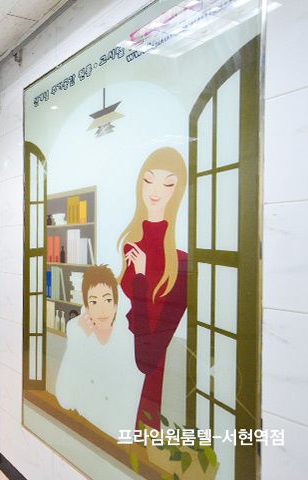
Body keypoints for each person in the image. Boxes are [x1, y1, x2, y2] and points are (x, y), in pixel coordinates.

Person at [118, 147, 188, 431]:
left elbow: (147, 357)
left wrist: (142, 277)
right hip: (125, 361)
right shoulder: (130, 245)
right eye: (148, 180)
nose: (155, 191)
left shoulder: (181, 262)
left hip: (151, 364)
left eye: (168, 184)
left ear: (177, 192)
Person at [55, 265, 143, 438]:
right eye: (94, 302)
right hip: (84, 428)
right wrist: (79, 340)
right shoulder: (80, 334)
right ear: (87, 307)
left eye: (107, 300)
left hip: (115, 438)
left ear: (116, 304)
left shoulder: (129, 342)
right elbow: (64, 397)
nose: (102, 310)